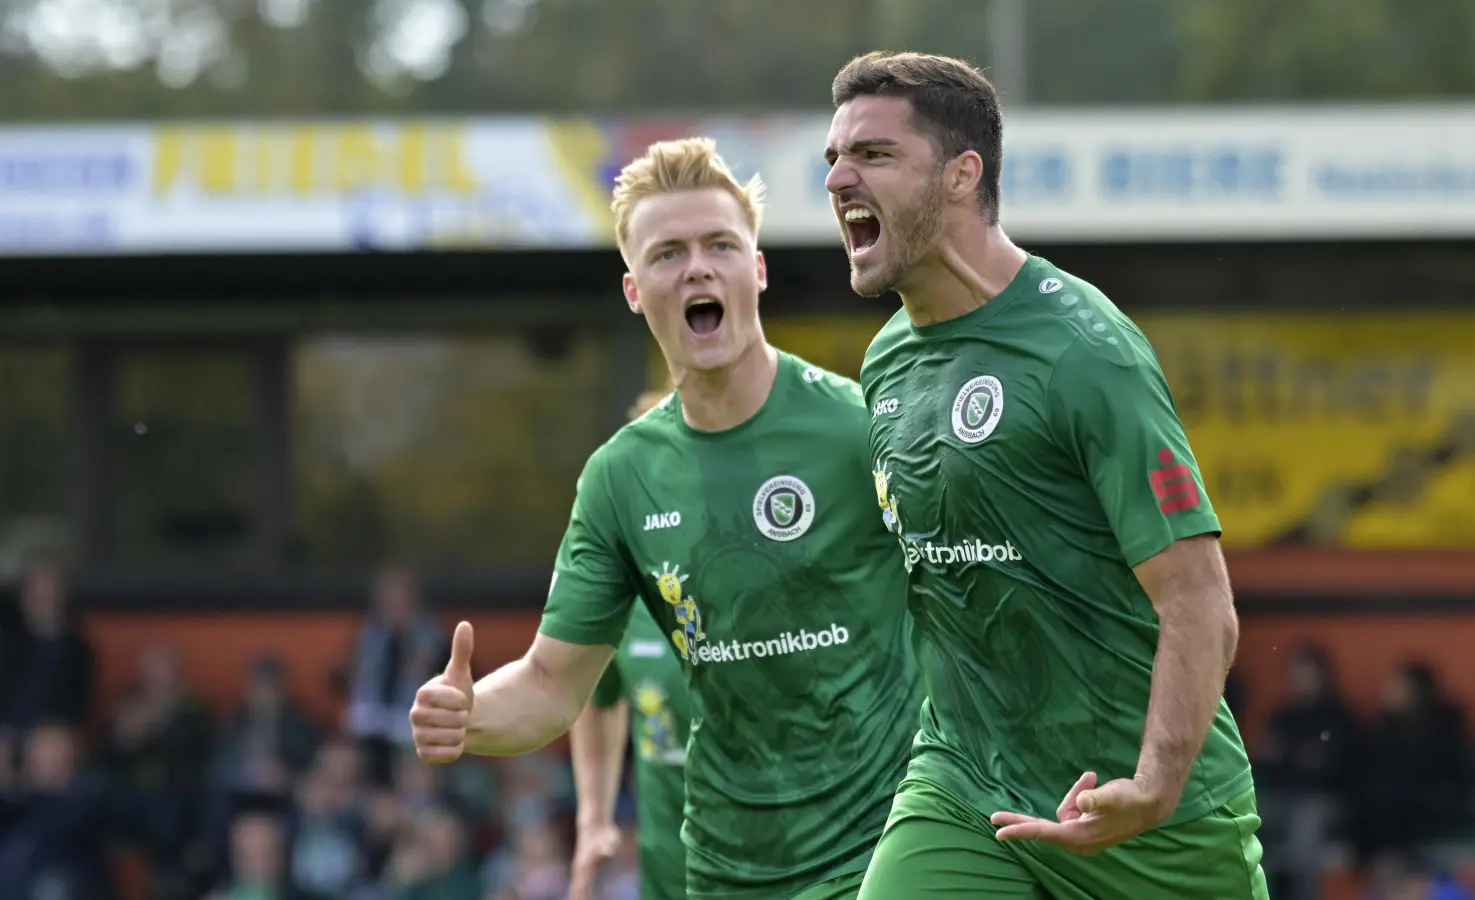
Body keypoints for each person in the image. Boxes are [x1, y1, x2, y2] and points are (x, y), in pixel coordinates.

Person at [410, 137, 923, 900]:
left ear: (756, 269)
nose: (697, 268)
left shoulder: (863, 426)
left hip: (885, 854)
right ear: (633, 290)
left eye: (720, 245)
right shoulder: (620, 478)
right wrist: (469, 714)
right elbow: (554, 684)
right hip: (723, 868)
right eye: (668, 253)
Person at [824, 51, 1267, 898]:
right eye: (834, 159)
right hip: (964, 786)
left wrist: (1156, 783)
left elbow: (1200, 599)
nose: (840, 177)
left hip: (1140, 814)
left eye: (874, 155)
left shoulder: (1084, 351)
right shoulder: (886, 365)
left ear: (961, 175)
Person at [567, 389, 693, 900]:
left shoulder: (776, 587)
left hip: (793, 872)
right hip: (670, 878)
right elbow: (588, 697)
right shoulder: (628, 601)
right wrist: (594, 817)